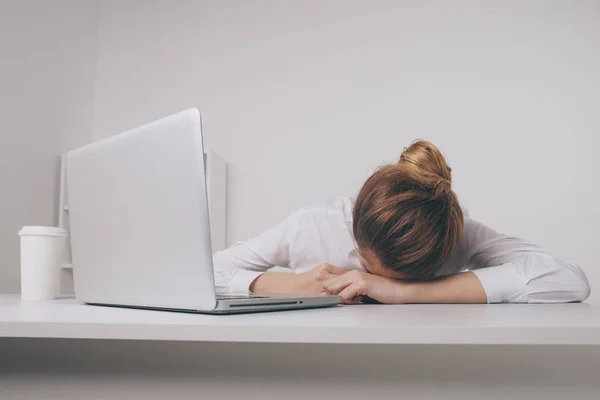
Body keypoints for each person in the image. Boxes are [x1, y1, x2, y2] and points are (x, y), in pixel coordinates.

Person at [213, 140, 591, 304]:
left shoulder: (458, 234)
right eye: (367, 265)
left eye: (400, 277)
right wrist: (287, 284)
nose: (374, 278)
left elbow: (567, 279)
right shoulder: (313, 225)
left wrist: (404, 293)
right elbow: (206, 271)